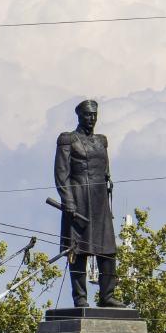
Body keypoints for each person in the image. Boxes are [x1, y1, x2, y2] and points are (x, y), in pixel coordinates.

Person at [54, 99, 122, 308]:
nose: (91, 119)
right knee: (78, 251)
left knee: (108, 251)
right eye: (87, 115)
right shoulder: (68, 140)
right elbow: (61, 173)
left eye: (94, 115)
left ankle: (107, 296)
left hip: (101, 204)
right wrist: (68, 201)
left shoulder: (101, 141)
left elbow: (105, 172)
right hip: (79, 200)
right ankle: (80, 298)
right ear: (79, 116)